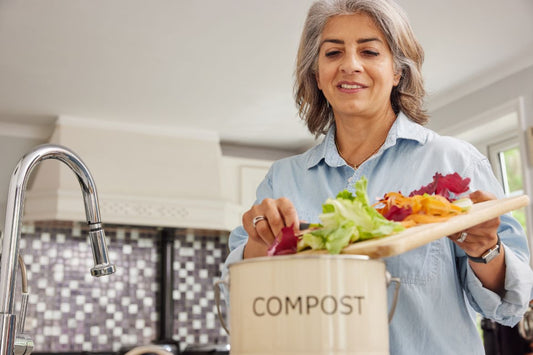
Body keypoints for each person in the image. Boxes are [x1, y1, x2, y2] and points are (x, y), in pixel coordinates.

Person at [222, 0, 533, 353]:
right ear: (317, 75)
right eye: (333, 53)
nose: (350, 65)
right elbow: (239, 312)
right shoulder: (283, 179)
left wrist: (485, 250)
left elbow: (511, 305)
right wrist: (259, 246)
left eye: (370, 51)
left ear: (398, 71)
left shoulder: (455, 161)